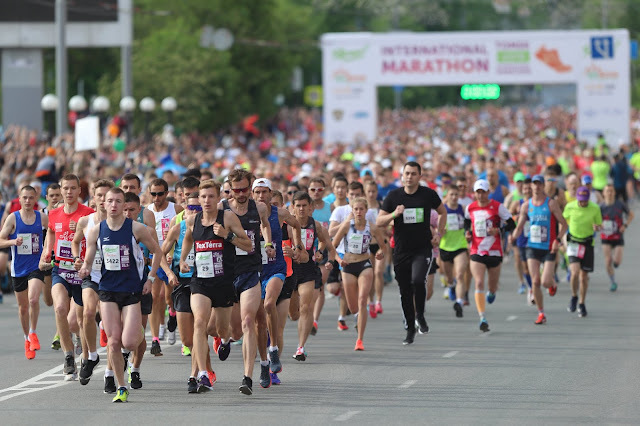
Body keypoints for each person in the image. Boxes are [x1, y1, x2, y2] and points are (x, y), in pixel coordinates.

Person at [79, 188, 161, 403]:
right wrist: (85, 267)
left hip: (132, 290)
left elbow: (157, 252)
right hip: (107, 290)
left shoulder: (136, 228)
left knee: (129, 343)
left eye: (118, 201)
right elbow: (89, 256)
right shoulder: (96, 230)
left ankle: (137, 332)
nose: (113, 205)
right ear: (103, 204)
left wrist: (151, 279)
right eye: (110, 201)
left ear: (124, 205)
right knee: (113, 342)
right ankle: (121, 386)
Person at [179, 180, 251, 393]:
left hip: (224, 282)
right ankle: (202, 374)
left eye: (211, 196)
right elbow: (188, 240)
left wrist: (227, 236)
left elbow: (248, 244)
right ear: (198, 199)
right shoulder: (193, 221)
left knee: (220, 328)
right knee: (199, 323)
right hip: (200, 281)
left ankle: (225, 339)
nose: (207, 200)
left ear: (218, 198)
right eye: (203, 197)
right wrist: (183, 258)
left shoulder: (227, 218)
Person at [377, 161, 446, 345]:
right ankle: (409, 328)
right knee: (405, 290)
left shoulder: (428, 194)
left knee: (417, 280)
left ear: (419, 176)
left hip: (423, 248)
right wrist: (394, 215)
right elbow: (379, 221)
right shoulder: (394, 196)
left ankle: (420, 315)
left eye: (413, 173)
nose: (409, 177)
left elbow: (442, 212)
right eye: (406, 173)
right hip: (401, 250)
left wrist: (438, 233)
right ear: (402, 176)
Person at [221, 169, 275, 395]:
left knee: (248, 320)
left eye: (245, 189)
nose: (242, 194)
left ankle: (247, 377)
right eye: (237, 190)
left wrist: (268, 243)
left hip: (251, 271)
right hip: (226, 272)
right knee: (234, 330)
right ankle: (225, 339)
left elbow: (264, 224)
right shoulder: (222, 208)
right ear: (231, 189)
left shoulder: (259, 207)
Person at [41, 174, 94, 380]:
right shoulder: (53, 214)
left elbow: (97, 239)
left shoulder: (88, 214)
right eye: (66, 188)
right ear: (60, 191)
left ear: (80, 191)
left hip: (81, 273)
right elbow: (52, 234)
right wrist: (46, 252)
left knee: (79, 322)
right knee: (60, 307)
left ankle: (86, 354)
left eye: (73, 188)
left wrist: (82, 230)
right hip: (60, 269)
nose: (69, 192)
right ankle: (68, 355)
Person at [251, 178, 303, 386]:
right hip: (254, 270)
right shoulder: (246, 214)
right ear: (252, 194)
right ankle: (265, 363)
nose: (261, 196)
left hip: (276, 268)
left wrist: (298, 247)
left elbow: (297, 225)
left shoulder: (280, 213)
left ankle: (273, 350)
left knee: (269, 304)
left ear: (271, 194)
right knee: (258, 323)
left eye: (265, 192)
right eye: (258, 192)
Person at [71, 179, 114, 385]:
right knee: (88, 312)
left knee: (112, 325)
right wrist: (77, 258)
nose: (104, 200)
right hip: (92, 274)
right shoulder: (85, 221)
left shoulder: (121, 222)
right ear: (94, 198)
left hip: (115, 278)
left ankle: (111, 372)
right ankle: (92, 355)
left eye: (108, 197)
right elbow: (76, 241)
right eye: (100, 196)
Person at [511, 175, 568, 325]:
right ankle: (541, 312)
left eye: (538, 184)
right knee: (535, 281)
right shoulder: (526, 205)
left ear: (543, 186)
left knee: (545, 282)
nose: (536, 187)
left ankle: (552, 284)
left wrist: (558, 240)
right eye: (533, 184)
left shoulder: (551, 204)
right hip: (532, 247)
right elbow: (520, 226)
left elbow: (564, 224)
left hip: (549, 247)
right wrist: (513, 237)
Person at [0, 185, 47, 359]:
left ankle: (33, 332)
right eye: (24, 197)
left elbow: (53, 232)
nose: (27, 201)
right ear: (19, 199)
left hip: (36, 266)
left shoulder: (41, 217)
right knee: (23, 308)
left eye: (31, 198)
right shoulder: (13, 218)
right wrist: (13, 242)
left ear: (35, 199)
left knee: (34, 299)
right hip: (18, 268)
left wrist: (47, 250)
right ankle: (27, 338)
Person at [332, 197, 386, 350]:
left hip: (364, 264)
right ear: (352, 211)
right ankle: (357, 316)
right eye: (356, 209)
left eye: (361, 209)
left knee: (363, 300)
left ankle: (359, 340)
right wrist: (338, 260)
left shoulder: (372, 227)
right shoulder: (346, 226)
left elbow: (383, 246)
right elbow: (333, 246)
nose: (358, 212)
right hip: (348, 265)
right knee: (353, 307)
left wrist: (381, 253)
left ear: (366, 210)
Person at [464, 179, 515, 332]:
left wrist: (499, 229)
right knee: (479, 282)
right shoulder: (470, 208)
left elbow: (512, 224)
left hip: (494, 251)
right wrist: (467, 233)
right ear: (474, 193)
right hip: (477, 250)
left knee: (492, 287)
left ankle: (491, 292)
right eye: (477, 192)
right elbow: (467, 223)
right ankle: (482, 317)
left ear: (488, 192)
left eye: (483, 192)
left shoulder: (497, 207)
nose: (480, 195)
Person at [290, 191, 335, 360]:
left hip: (309, 270)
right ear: (293, 208)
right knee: (293, 314)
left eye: (304, 206)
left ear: (311, 208)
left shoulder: (315, 225)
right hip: (290, 271)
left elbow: (327, 244)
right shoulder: (288, 226)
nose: (301, 209)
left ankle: (301, 347)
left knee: (306, 308)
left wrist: (321, 253)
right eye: (298, 206)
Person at [146, 178, 184, 356]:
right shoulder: (147, 212)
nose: (156, 197)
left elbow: (184, 235)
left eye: (160, 194)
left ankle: (172, 314)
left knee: (169, 298)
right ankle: (154, 339)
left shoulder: (176, 210)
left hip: (169, 258)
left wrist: (174, 254)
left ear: (166, 193)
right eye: (153, 194)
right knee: (155, 297)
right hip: (155, 258)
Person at [563, 186, 602, 317]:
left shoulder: (595, 208)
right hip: (573, 242)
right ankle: (574, 296)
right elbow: (562, 221)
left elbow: (600, 225)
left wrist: (597, 227)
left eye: (585, 201)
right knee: (574, 273)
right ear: (577, 198)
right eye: (581, 200)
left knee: (584, 276)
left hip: (587, 243)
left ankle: (582, 303)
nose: (583, 203)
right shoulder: (570, 207)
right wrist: (561, 239)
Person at [438, 184, 469, 318]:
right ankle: (450, 285)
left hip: (460, 246)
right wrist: (440, 231)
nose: (454, 197)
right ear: (447, 196)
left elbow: (469, 225)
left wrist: (468, 233)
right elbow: (436, 228)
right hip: (445, 247)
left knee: (460, 274)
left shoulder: (462, 209)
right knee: (449, 277)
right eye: (451, 195)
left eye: (456, 195)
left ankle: (459, 302)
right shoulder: (442, 211)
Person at [599, 184, 633, 292]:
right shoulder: (601, 207)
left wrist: (625, 225)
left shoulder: (620, 204)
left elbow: (631, 215)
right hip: (606, 236)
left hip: (618, 236)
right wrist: (597, 226)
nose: (609, 193)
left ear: (614, 193)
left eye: (611, 191)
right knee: (608, 260)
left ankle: (615, 263)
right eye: (607, 191)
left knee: (617, 262)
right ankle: (613, 281)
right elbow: (595, 219)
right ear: (603, 193)